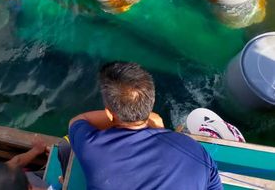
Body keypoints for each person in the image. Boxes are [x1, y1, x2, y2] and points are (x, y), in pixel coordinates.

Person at [69, 62, 222, 190]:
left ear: (109, 113)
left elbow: (77, 121)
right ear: (151, 103)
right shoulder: (194, 148)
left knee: (64, 150)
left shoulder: (91, 146)